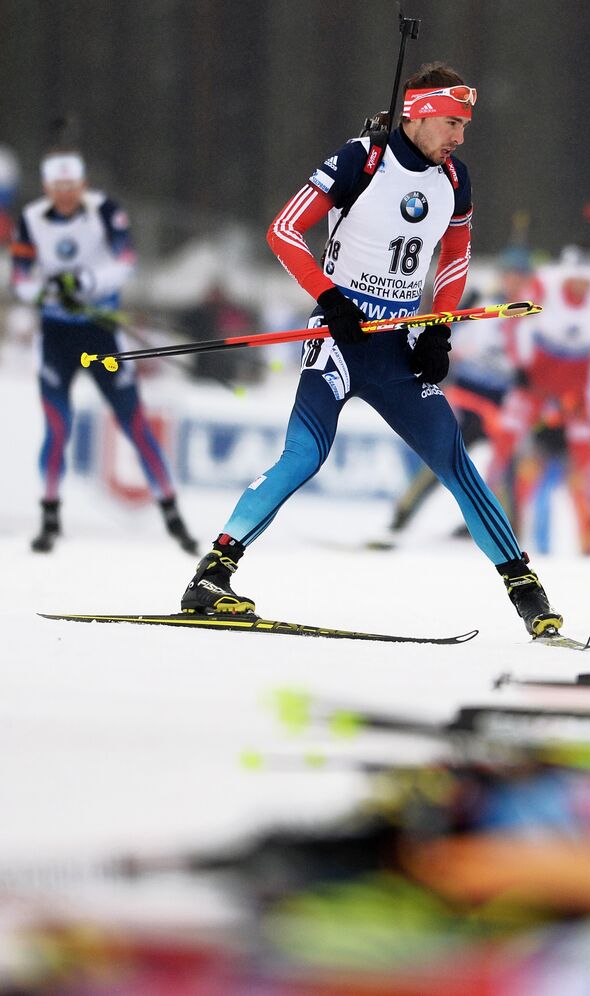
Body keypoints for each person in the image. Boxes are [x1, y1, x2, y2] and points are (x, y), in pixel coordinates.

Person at [180, 63, 564, 638]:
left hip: (399, 347)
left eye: (465, 125)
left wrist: (439, 327)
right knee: (305, 455)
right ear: (420, 113)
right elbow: (283, 232)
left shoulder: (456, 179)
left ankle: (526, 592)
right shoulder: (360, 159)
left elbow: (455, 255)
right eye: (453, 123)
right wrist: (330, 299)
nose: (460, 136)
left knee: (454, 460)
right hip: (339, 339)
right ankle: (212, 575)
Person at [10, 148, 198, 554]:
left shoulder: (104, 211)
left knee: (134, 423)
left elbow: (125, 262)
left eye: (71, 186)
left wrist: (85, 282)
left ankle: (171, 514)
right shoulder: (31, 220)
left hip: (100, 332)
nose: (64, 194)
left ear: (82, 185)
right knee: (58, 426)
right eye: (57, 187)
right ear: (48, 187)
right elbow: (20, 280)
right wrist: (46, 291)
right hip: (56, 335)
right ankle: (49, 518)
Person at [496, 243, 590, 554]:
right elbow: (512, 318)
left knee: (587, 461)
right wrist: (517, 364)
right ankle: (491, 521)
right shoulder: (546, 284)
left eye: (589, 280)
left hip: (574, 392)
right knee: (505, 444)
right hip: (535, 386)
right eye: (577, 279)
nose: (582, 286)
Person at [378, 245, 532, 543]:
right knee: (444, 456)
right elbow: (454, 345)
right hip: (470, 395)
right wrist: (461, 316)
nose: (515, 282)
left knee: (504, 465)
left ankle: (506, 531)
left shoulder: (527, 312)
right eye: (511, 276)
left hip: (502, 400)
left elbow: (528, 360)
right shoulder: (485, 302)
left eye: (520, 277)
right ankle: (401, 515)